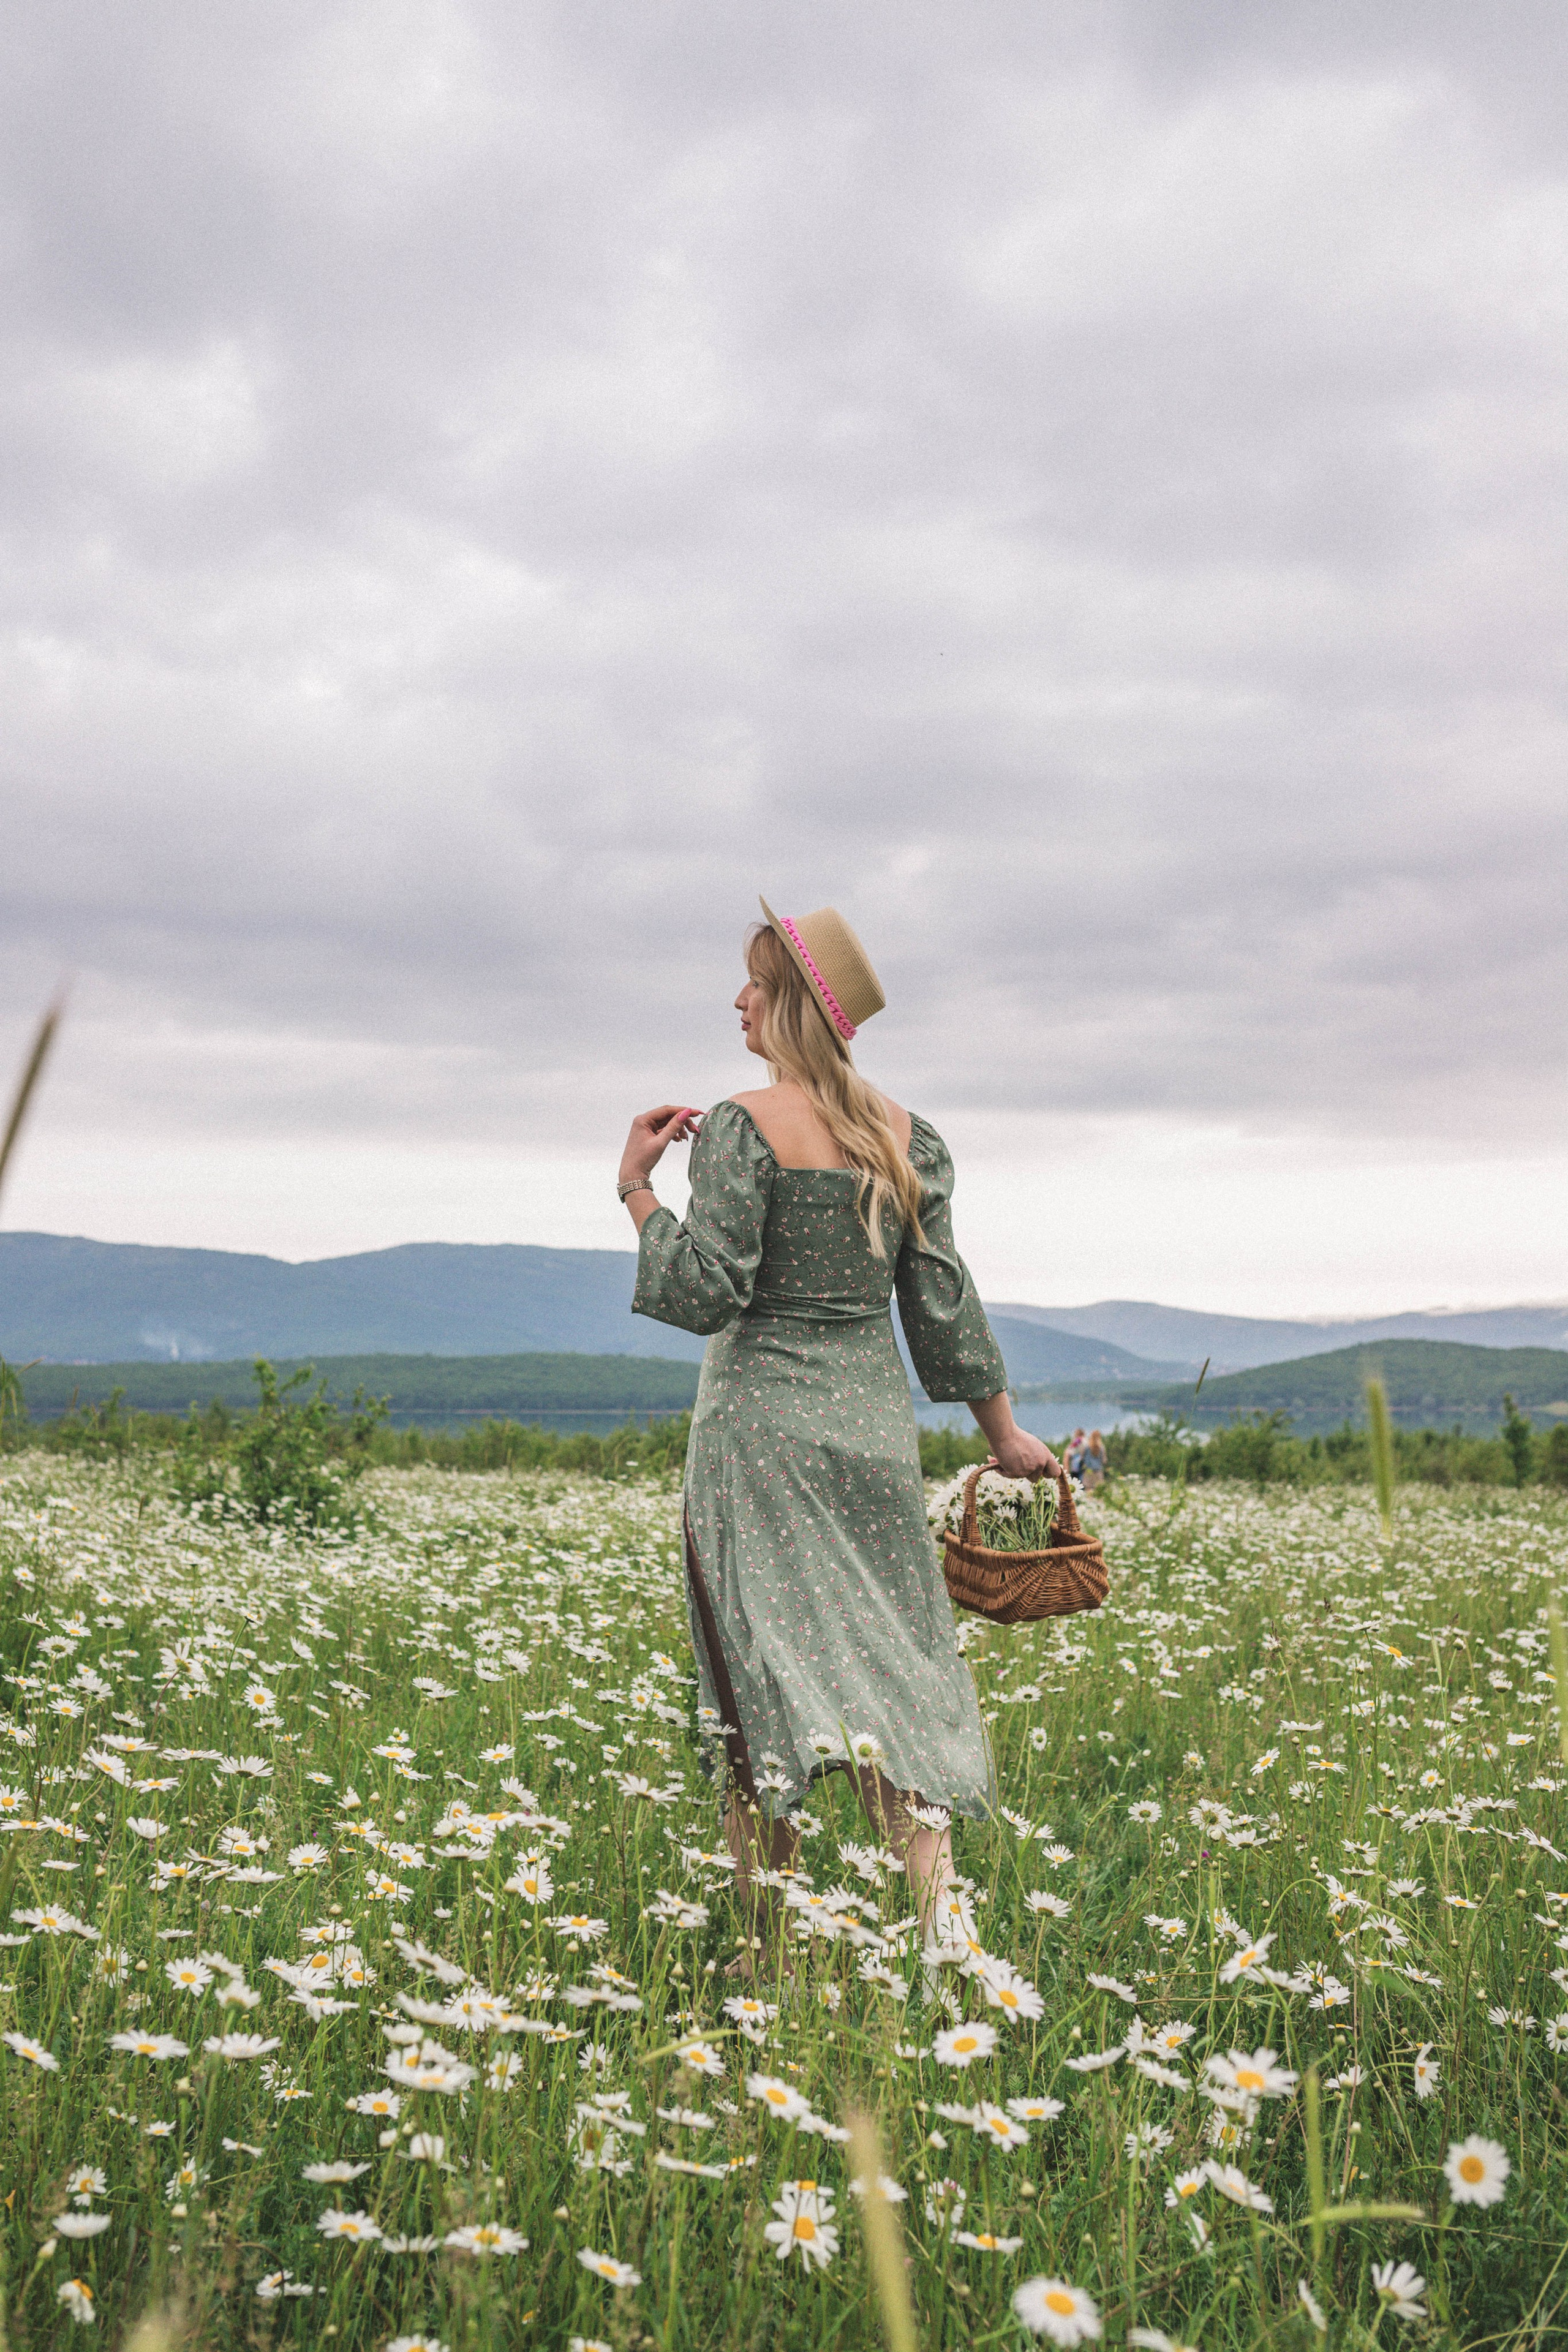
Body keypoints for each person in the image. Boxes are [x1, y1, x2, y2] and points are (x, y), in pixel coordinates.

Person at [616, 896, 1059, 1970]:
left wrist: (634, 1187)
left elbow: (706, 1292)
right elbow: (942, 1306)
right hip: (868, 1436)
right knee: (888, 1670)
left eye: (754, 984)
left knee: (754, 1681)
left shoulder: (742, 1124)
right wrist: (1005, 1437)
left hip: (757, 1437)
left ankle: (770, 1947)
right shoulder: (908, 1136)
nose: (737, 1000)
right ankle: (946, 1931)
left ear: (794, 1003)